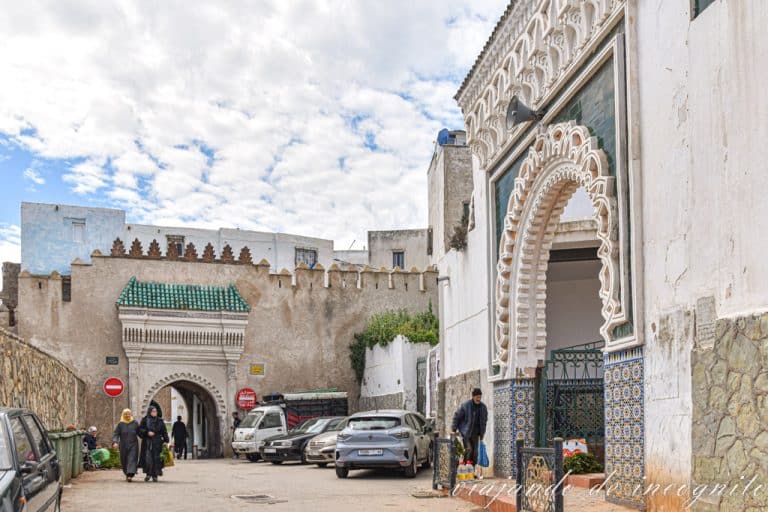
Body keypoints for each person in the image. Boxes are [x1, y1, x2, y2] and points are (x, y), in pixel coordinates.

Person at [451, 388, 488, 465]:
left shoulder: (483, 407)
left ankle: (472, 469)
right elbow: (456, 416)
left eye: (480, 397)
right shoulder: (466, 406)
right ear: (473, 397)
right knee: (469, 449)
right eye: (477, 397)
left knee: (475, 453)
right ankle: (465, 466)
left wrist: (482, 434)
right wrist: (454, 429)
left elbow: (484, 421)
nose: (478, 399)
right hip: (466, 432)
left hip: (476, 434)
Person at [138, 405, 169, 482]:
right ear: (149, 412)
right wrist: (147, 432)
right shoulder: (145, 420)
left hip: (157, 442)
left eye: (155, 411)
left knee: (156, 459)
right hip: (147, 442)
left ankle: (155, 475)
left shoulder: (159, 421)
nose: (155, 413)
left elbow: (164, 431)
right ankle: (148, 474)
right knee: (148, 459)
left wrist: (166, 440)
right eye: (153, 411)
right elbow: (140, 430)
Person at [112, 409, 140, 482]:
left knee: (132, 459)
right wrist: (115, 442)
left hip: (133, 444)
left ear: (131, 415)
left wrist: (146, 435)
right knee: (124, 460)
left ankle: (130, 475)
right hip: (123, 444)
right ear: (123, 415)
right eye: (126, 414)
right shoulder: (120, 424)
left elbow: (140, 432)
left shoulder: (135, 423)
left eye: (129, 414)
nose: (127, 415)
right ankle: (127, 473)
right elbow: (116, 434)